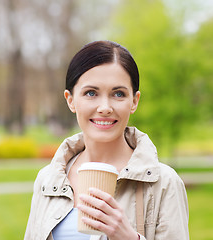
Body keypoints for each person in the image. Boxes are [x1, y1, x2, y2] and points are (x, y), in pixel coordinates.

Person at [24, 40, 189, 240]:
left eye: (118, 94)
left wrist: (129, 237)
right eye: (91, 93)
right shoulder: (48, 179)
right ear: (71, 100)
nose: (105, 107)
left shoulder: (164, 183)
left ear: (134, 101)